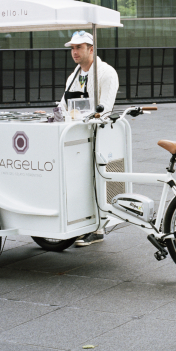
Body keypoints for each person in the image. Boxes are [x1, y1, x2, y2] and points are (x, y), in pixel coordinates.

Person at [60, 30, 119, 247]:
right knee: (77, 180)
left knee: (96, 179)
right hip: (77, 137)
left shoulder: (107, 73)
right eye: (72, 48)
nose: (74, 52)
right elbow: (63, 105)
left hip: (99, 136)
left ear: (91, 49)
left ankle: (98, 227)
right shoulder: (73, 76)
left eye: (79, 47)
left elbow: (105, 110)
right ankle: (82, 223)